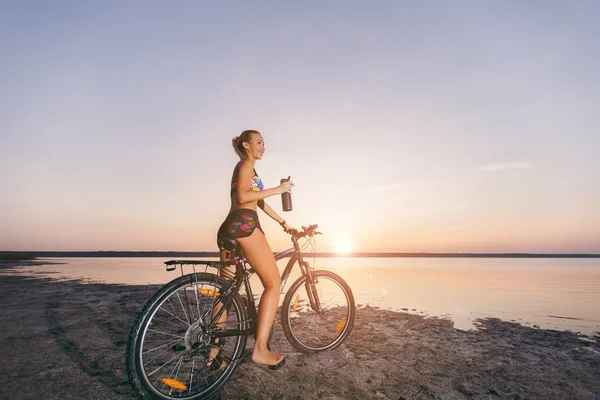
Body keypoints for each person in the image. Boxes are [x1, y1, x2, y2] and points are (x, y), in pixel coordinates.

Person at [215, 129, 293, 370]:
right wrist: (279, 190)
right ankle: (260, 350)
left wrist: (282, 222)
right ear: (246, 146)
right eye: (258, 142)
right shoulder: (245, 164)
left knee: (225, 293)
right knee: (273, 283)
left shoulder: (248, 168)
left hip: (229, 229)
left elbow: (258, 201)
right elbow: (243, 196)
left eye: (264, 143)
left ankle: (212, 355)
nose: (262, 146)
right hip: (245, 226)